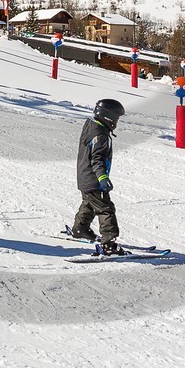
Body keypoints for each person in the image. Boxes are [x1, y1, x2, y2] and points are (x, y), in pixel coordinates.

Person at [71, 98, 126, 255]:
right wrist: (102, 178)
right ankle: (108, 243)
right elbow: (97, 159)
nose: (116, 122)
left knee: (89, 203)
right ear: (109, 117)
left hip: (84, 177)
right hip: (94, 178)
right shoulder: (100, 135)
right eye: (116, 118)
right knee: (105, 208)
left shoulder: (92, 127)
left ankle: (80, 229)